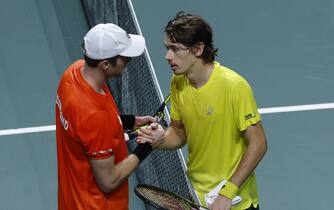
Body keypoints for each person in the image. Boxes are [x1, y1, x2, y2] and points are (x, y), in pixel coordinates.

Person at [137, 12, 267, 210]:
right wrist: (161, 138)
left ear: (198, 49)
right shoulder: (178, 82)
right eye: (167, 48)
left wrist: (227, 193)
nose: (167, 56)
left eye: (175, 49)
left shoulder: (234, 86)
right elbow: (179, 133)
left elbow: (258, 144)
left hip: (235, 202)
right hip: (198, 196)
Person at [55, 23, 154, 210]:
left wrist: (133, 121)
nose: (129, 61)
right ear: (106, 65)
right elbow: (108, 181)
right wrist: (148, 146)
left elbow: (85, 129)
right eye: (125, 57)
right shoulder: (94, 116)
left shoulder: (73, 74)